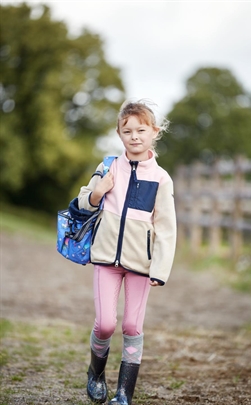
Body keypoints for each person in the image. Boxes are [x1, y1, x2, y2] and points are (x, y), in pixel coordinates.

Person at [78, 99, 177, 405]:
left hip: (140, 265)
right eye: (127, 130)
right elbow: (83, 202)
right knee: (105, 323)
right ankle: (95, 374)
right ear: (119, 134)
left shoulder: (161, 179)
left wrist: (159, 270)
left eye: (141, 130)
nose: (134, 136)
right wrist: (98, 191)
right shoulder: (107, 166)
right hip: (106, 260)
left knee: (132, 326)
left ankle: (124, 394)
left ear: (154, 132)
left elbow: (166, 229)